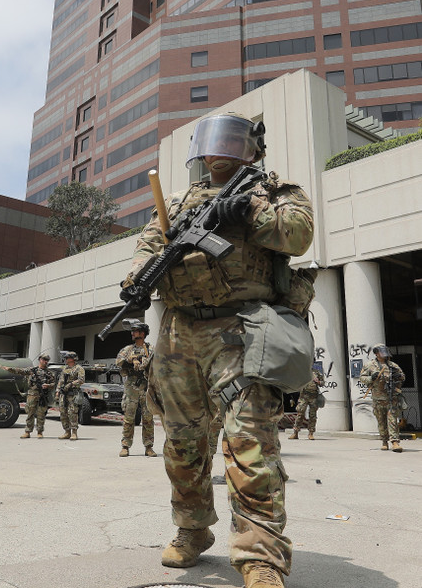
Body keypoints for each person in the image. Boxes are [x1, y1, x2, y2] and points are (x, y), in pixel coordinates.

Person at [120, 113, 314, 588]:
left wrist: (249, 211)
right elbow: (148, 244)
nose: (218, 151)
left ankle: (260, 557)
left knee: (249, 441)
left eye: (231, 141)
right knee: (182, 442)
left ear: (253, 148)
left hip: (243, 328)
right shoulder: (177, 201)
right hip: (179, 332)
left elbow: (299, 235)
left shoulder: (275, 190)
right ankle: (192, 529)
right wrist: (138, 279)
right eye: (212, 142)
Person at [115, 319, 157, 457]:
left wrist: (146, 363)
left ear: (143, 333)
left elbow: (158, 364)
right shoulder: (127, 349)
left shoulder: (151, 349)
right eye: (132, 331)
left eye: (135, 331)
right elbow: (118, 361)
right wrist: (130, 360)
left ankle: (149, 446)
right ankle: (125, 446)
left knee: (148, 418)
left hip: (146, 387)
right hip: (131, 387)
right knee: (129, 417)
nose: (132, 333)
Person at [360, 344, 405, 452]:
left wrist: (398, 376)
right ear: (376, 354)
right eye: (381, 352)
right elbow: (362, 377)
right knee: (381, 421)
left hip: (391, 398)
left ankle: (395, 442)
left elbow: (402, 376)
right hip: (378, 399)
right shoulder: (370, 365)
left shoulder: (392, 365)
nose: (383, 355)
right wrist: (371, 378)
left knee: (392, 420)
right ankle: (384, 441)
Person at [4, 353, 55, 439]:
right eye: (44, 359)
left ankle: (39, 432)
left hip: (43, 396)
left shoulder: (49, 373)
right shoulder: (32, 370)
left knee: (41, 414)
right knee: (30, 414)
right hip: (32, 395)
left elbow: (53, 384)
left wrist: (48, 385)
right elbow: (20, 371)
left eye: (47, 360)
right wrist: (9, 369)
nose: (45, 361)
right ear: (40, 360)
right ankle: (27, 432)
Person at [288, 366, 325, 440]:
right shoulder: (302, 372)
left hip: (313, 397)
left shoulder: (317, 372)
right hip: (303, 396)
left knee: (312, 415)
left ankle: (311, 433)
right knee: (300, 413)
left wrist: (318, 382)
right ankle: (295, 432)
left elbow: (322, 383)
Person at [56, 351, 84, 440]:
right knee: (63, 413)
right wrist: (57, 391)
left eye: (67, 358)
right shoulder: (65, 369)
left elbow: (81, 380)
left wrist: (71, 384)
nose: (66, 359)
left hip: (73, 394)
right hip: (64, 394)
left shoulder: (79, 368)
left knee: (72, 413)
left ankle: (74, 432)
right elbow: (60, 381)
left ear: (72, 359)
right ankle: (67, 432)